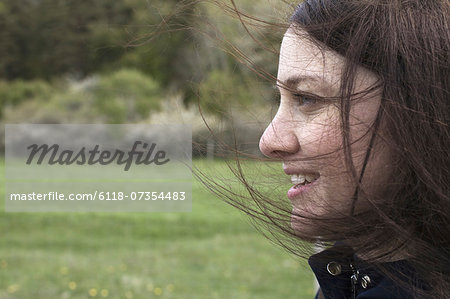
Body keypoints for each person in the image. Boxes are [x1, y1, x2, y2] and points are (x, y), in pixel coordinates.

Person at [205, 0, 449, 298]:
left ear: (419, 108)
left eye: (307, 98)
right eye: (280, 99)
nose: (269, 141)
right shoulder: (351, 276)